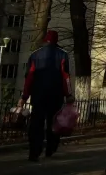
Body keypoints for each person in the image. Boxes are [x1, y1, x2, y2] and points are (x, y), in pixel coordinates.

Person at [17, 30, 73, 162]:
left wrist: (24, 96)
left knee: (36, 124)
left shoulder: (35, 55)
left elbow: (29, 78)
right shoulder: (63, 55)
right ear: (56, 40)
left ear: (45, 40)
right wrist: (68, 94)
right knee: (53, 123)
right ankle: (50, 148)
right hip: (56, 95)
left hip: (38, 95)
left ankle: (34, 152)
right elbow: (65, 77)